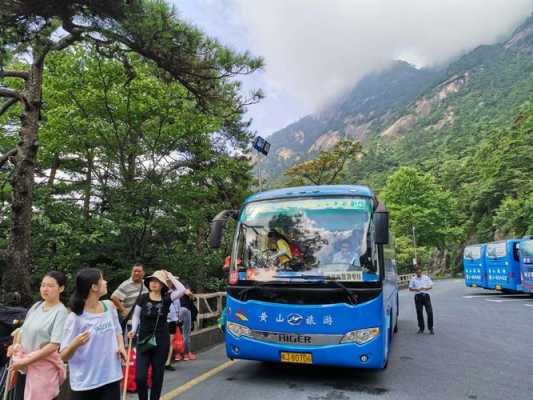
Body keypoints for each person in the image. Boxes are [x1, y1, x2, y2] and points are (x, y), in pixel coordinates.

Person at [60, 268, 127, 400]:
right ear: (94, 287)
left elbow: (117, 330)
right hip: (85, 383)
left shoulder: (109, 307)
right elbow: (63, 356)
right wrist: (75, 344)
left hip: (111, 377)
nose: (106, 282)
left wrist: (120, 345)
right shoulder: (75, 317)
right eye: (102, 279)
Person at [8, 271, 69, 400]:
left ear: (61, 288)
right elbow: (22, 331)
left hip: (42, 371)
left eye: (50, 286)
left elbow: (54, 345)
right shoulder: (36, 306)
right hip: (24, 367)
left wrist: (27, 360)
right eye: (43, 285)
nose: (45, 289)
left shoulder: (61, 312)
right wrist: (15, 346)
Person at [129, 270, 186, 400]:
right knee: (140, 377)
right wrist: (133, 329)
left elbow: (182, 290)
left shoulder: (167, 299)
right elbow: (136, 315)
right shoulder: (142, 298)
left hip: (161, 340)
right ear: (149, 283)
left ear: (162, 285)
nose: (154, 283)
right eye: (152, 281)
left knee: (157, 376)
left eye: (158, 282)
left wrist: (170, 276)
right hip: (143, 339)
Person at [111, 263, 148, 329]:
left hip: (143, 321)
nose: (136, 273)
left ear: (143, 273)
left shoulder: (146, 284)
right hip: (130, 321)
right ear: (131, 272)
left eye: (139, 271)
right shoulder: (126, 284)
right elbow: (114, 297)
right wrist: (123, 310)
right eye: (135, 271)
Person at [408, 267, 434, 334]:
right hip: (418, 297)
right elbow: (410, 288)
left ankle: (430, 328)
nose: (419, 273)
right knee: (419, 313)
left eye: (420, 272)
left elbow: (431, 286)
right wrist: (416, 290)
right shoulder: (413, 279)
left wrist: (425, 288)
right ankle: (421, 328)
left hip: (426, 296)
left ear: (421, 272)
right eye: (418, 272)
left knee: (430, 312)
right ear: (416, 273)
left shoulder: (426, 277)